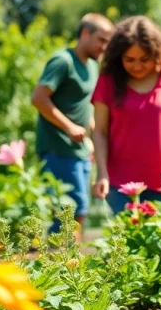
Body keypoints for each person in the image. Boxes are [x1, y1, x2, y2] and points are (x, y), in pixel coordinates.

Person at [91, 16, 161, 214]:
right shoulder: (108, 81)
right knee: (126, 241)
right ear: (119, 57)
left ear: (156, 54)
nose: (137, 66)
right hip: (119, 185)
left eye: (145, 60)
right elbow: (99, 131)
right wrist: (101, 173)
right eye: (129, 60)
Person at [32, 13, 113, 240]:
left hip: (80, 148)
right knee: (72, 208)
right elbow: (38, 98)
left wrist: (95, 141)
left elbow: (82, 106)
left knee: (78, 209)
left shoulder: (92, 67)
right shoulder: (63, 61)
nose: (105, 47)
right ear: (85, 34)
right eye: (102, 40)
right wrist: (68, 127)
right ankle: (61, 258)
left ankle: (65, 258)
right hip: (58, 146)